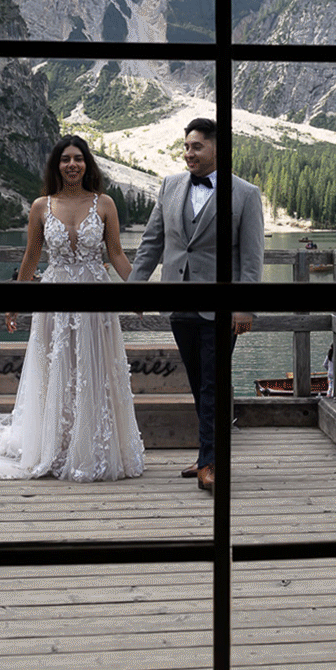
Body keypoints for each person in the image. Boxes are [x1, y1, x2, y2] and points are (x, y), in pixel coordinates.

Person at [0, 135, 144, 481]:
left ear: (87, 164)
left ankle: (94, 449)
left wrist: (140, 291)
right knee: (55, 367)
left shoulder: (104, 203)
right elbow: (31, 256)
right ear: (56, 165)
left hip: (96, 300)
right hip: (53, 299)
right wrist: (16, 298)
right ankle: (55, 448)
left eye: (78, 158)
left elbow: (116, 254)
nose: (72, 164)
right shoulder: (40, 206)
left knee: (95, 369)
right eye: (65, 159)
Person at [127, 117, 264, 493]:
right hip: (178, 303)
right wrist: (136, 285)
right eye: (186, 146)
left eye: (197, 147)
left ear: (217, 150)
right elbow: (153, 241)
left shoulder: (245, 194)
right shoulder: (169, 186)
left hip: (220, 308)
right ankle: (208, 453)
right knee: (197, 381)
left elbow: (251, 259)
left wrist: (245, 306)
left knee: (212, 385)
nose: (189, 153)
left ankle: (211, 463)